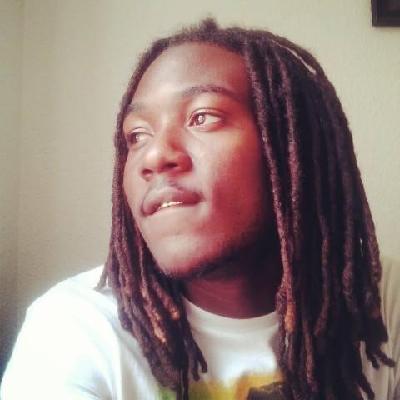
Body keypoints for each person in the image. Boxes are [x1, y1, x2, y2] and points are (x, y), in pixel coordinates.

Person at [1, 19, 399, 400]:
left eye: (202, 117)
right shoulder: (76, 330)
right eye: (137, 135)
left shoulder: (382, 300)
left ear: (292, 147)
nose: (153, 156)